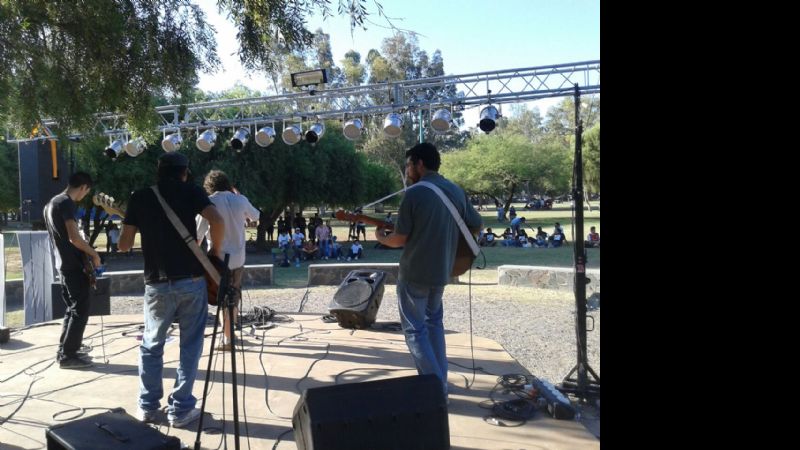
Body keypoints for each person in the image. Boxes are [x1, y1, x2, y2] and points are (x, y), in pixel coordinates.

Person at [118, 152, 225, 428]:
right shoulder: (191, 191)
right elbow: (217, 220)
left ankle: (147, 407)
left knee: (151, 345)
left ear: (158, 171)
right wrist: (215, 252)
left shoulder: (140, 197)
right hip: (191, 280)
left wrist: (132, 223)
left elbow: (124, 245)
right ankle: (180, 410)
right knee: (190, 346)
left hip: (156, 283)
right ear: (185, 172)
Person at [374, 143, 482, 398]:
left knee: (415, 330)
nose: (407, 171)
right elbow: (476, 224)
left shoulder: (414, 194)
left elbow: (399, 238)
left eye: (409, 165)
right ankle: (440, 384)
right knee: (434, 324)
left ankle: (436, 389)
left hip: (415, 272)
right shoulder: (455, 190)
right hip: (442, 271)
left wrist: (381, 238)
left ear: (419, 164)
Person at [196, 170, 260, 351]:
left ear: (209, 186)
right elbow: (256, 216)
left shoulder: (208, 203)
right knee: (233, 298)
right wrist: (239, 197)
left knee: (220, 299)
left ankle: (227, 339)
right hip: (238, 259)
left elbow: (197, 236)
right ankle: (229, 335)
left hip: (217, 261)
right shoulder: (240, 200)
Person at [43, 171, 101, 370]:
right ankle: (68, 356)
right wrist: (94, 254)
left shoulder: (51, 203)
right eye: (86, 192)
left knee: (72, 308)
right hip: (73, 266)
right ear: (84, 187)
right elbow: (74, 238)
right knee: (80, 310)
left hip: (63, 264)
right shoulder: (66, 203)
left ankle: (66, 350)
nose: (84, 196)